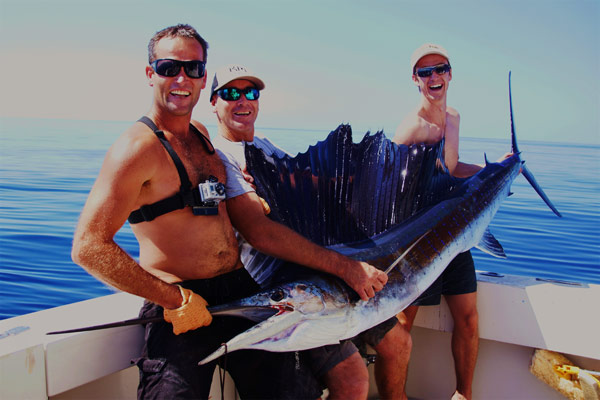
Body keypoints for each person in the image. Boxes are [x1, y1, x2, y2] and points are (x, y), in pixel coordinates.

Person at [71, 24, 323, 400]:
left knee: (293, 392)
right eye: (169, 67)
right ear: (149, 73)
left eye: (193, 68)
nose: (181, 78)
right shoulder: (136, 149)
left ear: (204, 77)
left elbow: (226, 208)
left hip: (239, 291)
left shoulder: (202, 135)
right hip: (180, 301)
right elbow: (88, 247)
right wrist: (174, 300)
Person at [209, 64, 411, 400]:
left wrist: (373, 176)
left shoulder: (265, 147)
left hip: (317, 270)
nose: (242, 100)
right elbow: (260, 233)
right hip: (282, 286)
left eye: (250, 92)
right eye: (231, 93)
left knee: (399, 342)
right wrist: (346, 267)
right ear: (214, 102)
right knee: (353, 380)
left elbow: (308, 183)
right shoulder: (221, 158)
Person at [392, 43, 511, 400]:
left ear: (450, 73)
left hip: (456, 235)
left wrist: (499, 171)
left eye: (439, 69)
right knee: (402, 325)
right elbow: (391, 189)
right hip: (420, 245)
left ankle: (464, 395)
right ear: (415, 80)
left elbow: (452, 167)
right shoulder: (413, 128)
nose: (434, 77)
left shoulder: (454, 118)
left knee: (469, 319)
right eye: (425, 72)